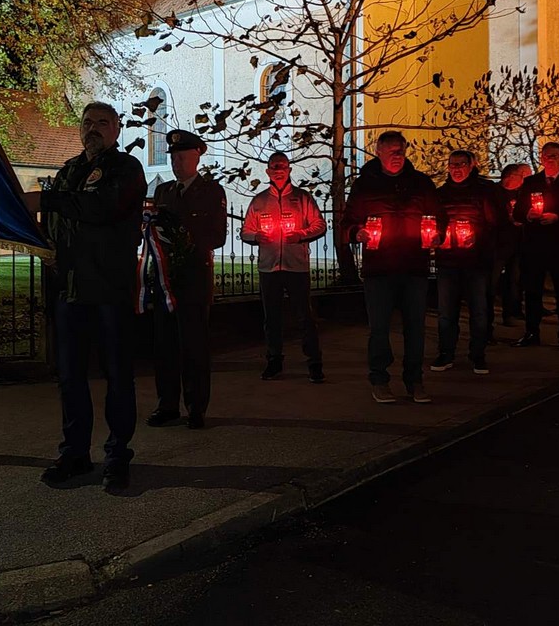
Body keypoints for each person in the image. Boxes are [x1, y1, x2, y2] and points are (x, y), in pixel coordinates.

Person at [32, 101, 146, 491]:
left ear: (116, 129)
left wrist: (47, 200)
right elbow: (55, 225)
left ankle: (117, 456)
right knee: (70, 377)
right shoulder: (68, 171)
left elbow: (104, 207)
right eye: (86, 123)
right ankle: (75, 454)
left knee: (118, 376)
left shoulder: (126, 168)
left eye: (101, 122)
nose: (92, 128)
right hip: (71, 290)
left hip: (110, 289)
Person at [342, 131, 445, 403]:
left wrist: (438, 234)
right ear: (379, 153)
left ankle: (415, 380)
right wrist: (357, 233)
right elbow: (347, 222)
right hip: (379, 269)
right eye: (391, 152)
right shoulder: (365, 185)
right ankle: (379, 379)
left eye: (400, 151)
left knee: (415, 327)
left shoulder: (421, 183)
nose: (397, 157)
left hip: (414, 266)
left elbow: (439, 217)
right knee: (379, 328)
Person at [146, 129, 228, 430]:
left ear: (196, 158)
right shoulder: (164, 192)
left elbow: (217, 235)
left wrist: (185, 241)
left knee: (194, 346)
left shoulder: (211, 191)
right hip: (165, 278)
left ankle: (196, 407)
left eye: (182, 157)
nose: (176, 163)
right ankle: (167, 404)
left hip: (193, 277)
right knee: (164, 345)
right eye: (173, 158)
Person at [241, 151, 328, 382]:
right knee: (272, 317)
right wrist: (257, 237)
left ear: (289, 170)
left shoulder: (302, 198)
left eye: (282, 166)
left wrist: (301, 235)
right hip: (269, 268)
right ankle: (274, 360)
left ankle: (314, 362)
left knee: (305, 316)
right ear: (268, 171)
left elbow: (320, 225)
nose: (279, 170)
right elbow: (245, 231)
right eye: (274, 166)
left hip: (296, 267)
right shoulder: (259, 201)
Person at [512, 141, 559, 351]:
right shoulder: (531, 182)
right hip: (535, 245)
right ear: (541, 158)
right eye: (546, 156)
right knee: (532, 290)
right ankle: (531, 331)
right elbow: (518, 212)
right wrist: (528, 215)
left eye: (554, 155)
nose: (549, 159)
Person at [431, 150, 499, 374]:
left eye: (461, 164)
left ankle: (478, 354)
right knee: (446, 312)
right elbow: (434, 222)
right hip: (447, 261)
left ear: (471, 166)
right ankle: (446, 353)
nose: (456, 169)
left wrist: (477, 237)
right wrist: (436, 236)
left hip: (476, 262)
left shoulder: (483, 193)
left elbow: (495, 224)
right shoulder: (440, 194)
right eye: (452, 164)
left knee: (478, 311)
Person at [494, 163, 531, 327]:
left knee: (514, 279)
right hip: (498, 244)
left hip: (517, 243)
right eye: (521, 176)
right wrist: (507, 219)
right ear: (510, 177)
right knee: (492, 280)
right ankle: (486, 316)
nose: (523, 180)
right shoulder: (494, 193)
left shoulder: (521, 193)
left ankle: (511, 312)